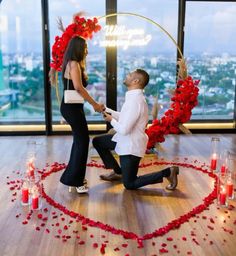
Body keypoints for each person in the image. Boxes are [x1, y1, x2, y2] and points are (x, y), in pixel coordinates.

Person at [92, 69, 179, 190]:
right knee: (98, 142)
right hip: (125, 140)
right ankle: (118, 172)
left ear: (135, 81)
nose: (126, 75)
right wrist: (106, 109)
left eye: (129, 75)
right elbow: (124, 117)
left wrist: (111, 120)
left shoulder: (135, 101)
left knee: (130, 184)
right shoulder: (133, 98)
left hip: (131, 146)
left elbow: (124, 130)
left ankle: (168, 172)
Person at [59, 36, 104, 194]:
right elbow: (78, 88)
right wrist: (95, 105)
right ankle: (76, 181)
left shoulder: (69, 63)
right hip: (72, 108)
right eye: (85, 47)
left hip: (70, 107)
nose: (87, 50)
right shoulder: (75, 64)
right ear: (79, 48)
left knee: (80, 141)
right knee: (83, 142)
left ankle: (73, 178)